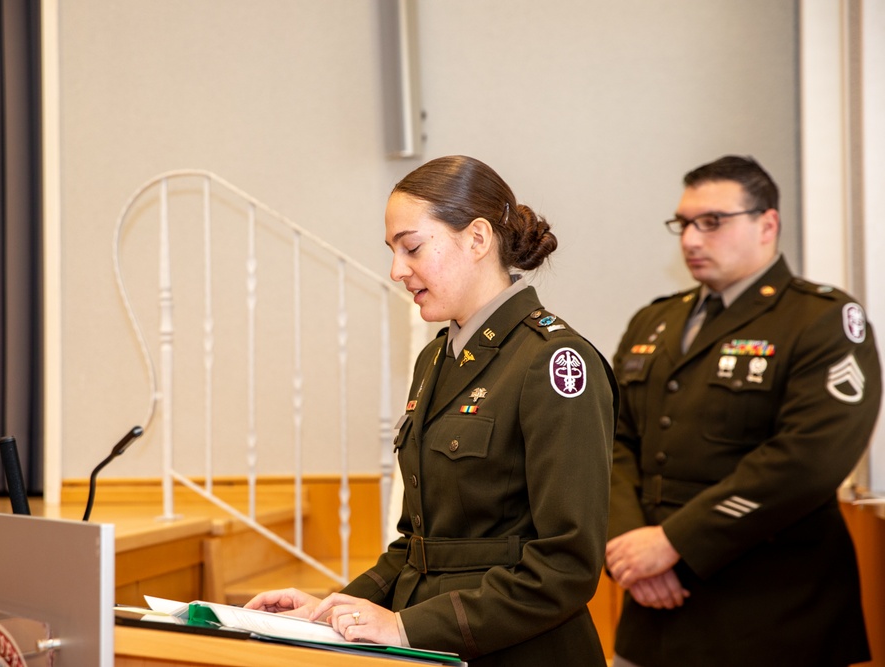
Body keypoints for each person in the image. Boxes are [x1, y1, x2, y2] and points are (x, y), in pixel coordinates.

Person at [246, 155, 618, 665]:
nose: (397, 270)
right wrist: (332, 611)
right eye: (393, 251)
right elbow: (420, 547)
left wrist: (407, 625)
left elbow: (566, 566)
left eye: (413, 247)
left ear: (478, 239)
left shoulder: (552, 361)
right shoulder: (436, 358)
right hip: (436, 647)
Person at [605, 155, 882, 667]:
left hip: (773, 616)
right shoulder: (655, 321)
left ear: (767, 224)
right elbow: (613, 441)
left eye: (712, 222)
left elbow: (808, 460)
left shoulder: (820, 320)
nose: (690, 239)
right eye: (684, 224)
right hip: (654, 612)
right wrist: (629, 545)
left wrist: (674, 542)